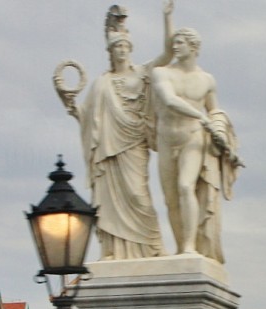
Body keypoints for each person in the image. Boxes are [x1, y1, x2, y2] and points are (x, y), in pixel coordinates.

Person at [60, 1, 174, 260]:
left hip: (134, 143)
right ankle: (112, 250)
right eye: (117, 48)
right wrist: (71, 106)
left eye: (125, 47)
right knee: (108, 201)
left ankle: (154, 248)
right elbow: (88, 118)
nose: (121, 51)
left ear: (130, 49)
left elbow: (168, 55)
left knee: (138, 196)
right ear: (111, 52)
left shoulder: (143, 72)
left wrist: (167, 18)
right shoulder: (102, 83)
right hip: (108, 151)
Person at [150, 27, 240, 262]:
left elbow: (215, 110)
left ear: (193, 47)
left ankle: (189, 246)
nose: (175, 47)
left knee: (185, 187)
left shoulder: (206, 80)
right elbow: (169, 100)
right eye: (174, 42)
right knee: (170, 199)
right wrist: (202, 117)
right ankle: (181, 246)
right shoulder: (161, 73)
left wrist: (219, 129)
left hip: (193, 138)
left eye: (180, 42)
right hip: (167, 138)